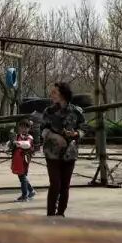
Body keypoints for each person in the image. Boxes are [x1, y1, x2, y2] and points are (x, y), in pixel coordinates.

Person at [41, 82, 86, 217]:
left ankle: (60, 214)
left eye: (54, 92)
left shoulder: (76, 111)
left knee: (65, 186)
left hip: (69, 153)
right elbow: (43, 130)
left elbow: (84, 129)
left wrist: (76, 134)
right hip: (52, 153)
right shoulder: (48, 111)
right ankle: (50, 215)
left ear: (63, 94)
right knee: (55, 185)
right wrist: (55, 137)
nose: (51, 94)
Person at [8, 119, 36, 202]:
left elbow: (27, 144)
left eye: (26, 127)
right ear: (19, 127)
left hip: (23, 159)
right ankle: (31, 191)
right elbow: (10, 144)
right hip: (17, 159)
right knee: (21, 176)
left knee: (22, 176)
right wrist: (11, 143)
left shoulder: (29, 137)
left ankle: (24, 195)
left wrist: (16, 143)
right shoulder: (17, 136)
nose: (23, 129)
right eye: (22, 127)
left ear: (29, 128)